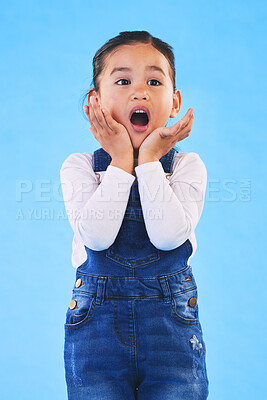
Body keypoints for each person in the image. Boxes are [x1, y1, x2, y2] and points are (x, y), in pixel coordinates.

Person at [60, 30, 209, 400]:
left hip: (170, 325)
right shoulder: (79, 167)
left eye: (154, 81)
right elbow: (97, 238)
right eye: (123, 80)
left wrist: (149, 162)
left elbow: (167, 237)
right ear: (95, 101)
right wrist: (123, 162)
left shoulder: (188, 166)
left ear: (174, 102)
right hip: (96, 325)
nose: (139, 91)